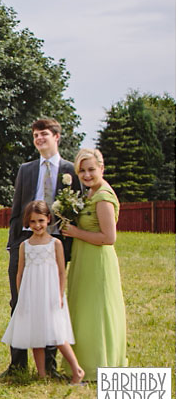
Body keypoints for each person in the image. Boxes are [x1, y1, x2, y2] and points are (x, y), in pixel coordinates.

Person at [1, 117, 79, 377]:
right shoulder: (26, 169)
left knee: (49, 305)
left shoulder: (71, 170)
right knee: (19, 302)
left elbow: (76, 209)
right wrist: (14, 243)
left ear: (56, 137)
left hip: (55, 244)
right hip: (25, 242)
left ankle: (50, 368)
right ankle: (17, 364)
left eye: (43, 134)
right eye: (35, 135)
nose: (39, 139)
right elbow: (16, 207)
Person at [61, 148, 127, 380]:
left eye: (91, 169)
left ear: (102, 168)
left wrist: (75, 232)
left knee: (95, 313)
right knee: (82, 310)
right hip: (83, 259)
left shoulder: (103, 197)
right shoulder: (89, 194)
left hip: (98, 262)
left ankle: (98, 365)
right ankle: (81, 363)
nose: (87, 175)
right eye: (82, 171)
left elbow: (109, 238)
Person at [1, 200, 84, 383]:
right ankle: (41, 374)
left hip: (50, 293)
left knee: (56, 332)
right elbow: (20, 273)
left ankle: (77, 370)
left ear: (48, 219)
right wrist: (21, 296)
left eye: (40, 220)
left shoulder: (55, 244)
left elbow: (62, 271)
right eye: (32, 222)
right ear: (27, 223)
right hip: (31, 293)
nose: (37, 225)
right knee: (35, 333)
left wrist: (60, 294)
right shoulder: (25, 245)